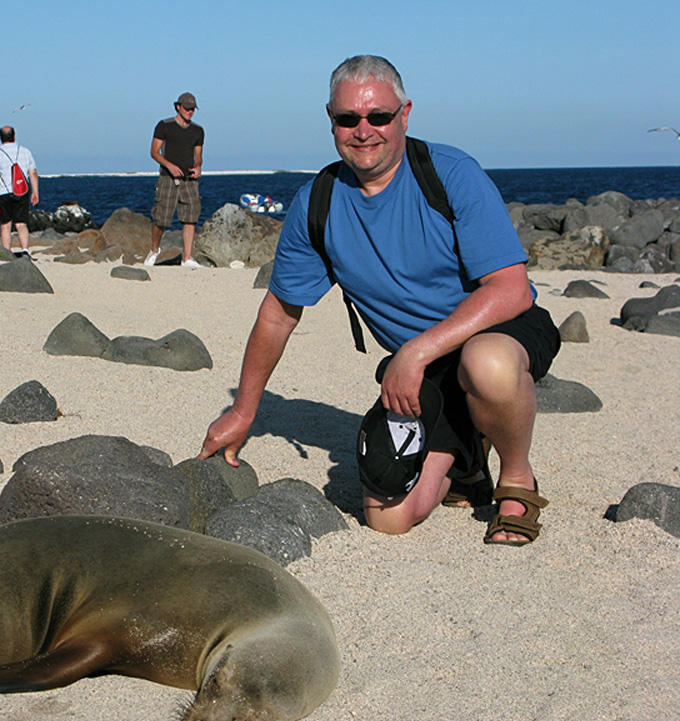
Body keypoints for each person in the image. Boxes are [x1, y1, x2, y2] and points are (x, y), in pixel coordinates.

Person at [198, 55, 560, 546]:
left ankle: (517, 478)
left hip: (497, 332)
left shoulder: (450, 174)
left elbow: (511, 289)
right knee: (389, 518)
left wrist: (413, 352)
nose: (363, 130)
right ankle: (467, 461)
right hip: (425, 372)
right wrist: (244, 410)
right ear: (331, 121)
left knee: (486, 362)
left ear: (404, 114)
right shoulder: (318, 203)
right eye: (348, 119)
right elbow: (280, 314)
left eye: (379, 117)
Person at [145, 92, 204, 269]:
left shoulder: (198, 131)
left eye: (192, 109)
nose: (190, 112)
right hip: (167, 179)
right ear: (178, 107)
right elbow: (154, 152)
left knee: (190, 218)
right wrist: (169, 166)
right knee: (161, 218)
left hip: (189, 180)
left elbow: (198, 155)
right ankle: (154, 250)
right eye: (187, 108)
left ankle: (187, 258)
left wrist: (199, 167)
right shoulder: (164, 126)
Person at [0, 125, 39, 257]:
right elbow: (33, 173)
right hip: (22, 190)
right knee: (21, 223)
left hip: (3, 192)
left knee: (5, 224)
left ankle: (7, 252)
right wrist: (35, 191)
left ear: (0, 138)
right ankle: (25, 249)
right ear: (14, 136)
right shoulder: (25, 151)